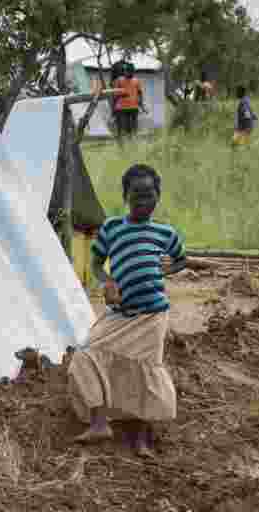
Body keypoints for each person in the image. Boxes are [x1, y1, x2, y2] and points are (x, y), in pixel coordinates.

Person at [67, 164, 187, 457]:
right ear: (125, 195)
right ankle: (98, 422)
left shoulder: (165, 232)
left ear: (158, 195)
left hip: (153, 316)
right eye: (136, 195)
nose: (143, 201)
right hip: (121, 314)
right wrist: (107, 283)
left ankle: (142, 438)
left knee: (147, 371)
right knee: (87, 353)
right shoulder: (112, 229)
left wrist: (168, 268)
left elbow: (181, 260)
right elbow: (96, 263)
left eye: (149, 195)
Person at [112, 64, 146, 139]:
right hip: (122, 107)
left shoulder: (136, 81)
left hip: (134, 106)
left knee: (134, 125)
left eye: (131, 71)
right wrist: (115, 105)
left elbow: (140, 92)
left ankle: (133, 139)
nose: (129, 73)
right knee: (124, 126)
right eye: (127, 71)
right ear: (124, 71)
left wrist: (141, 104)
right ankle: (124, 139)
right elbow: (115, 93)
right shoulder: (119, 80)